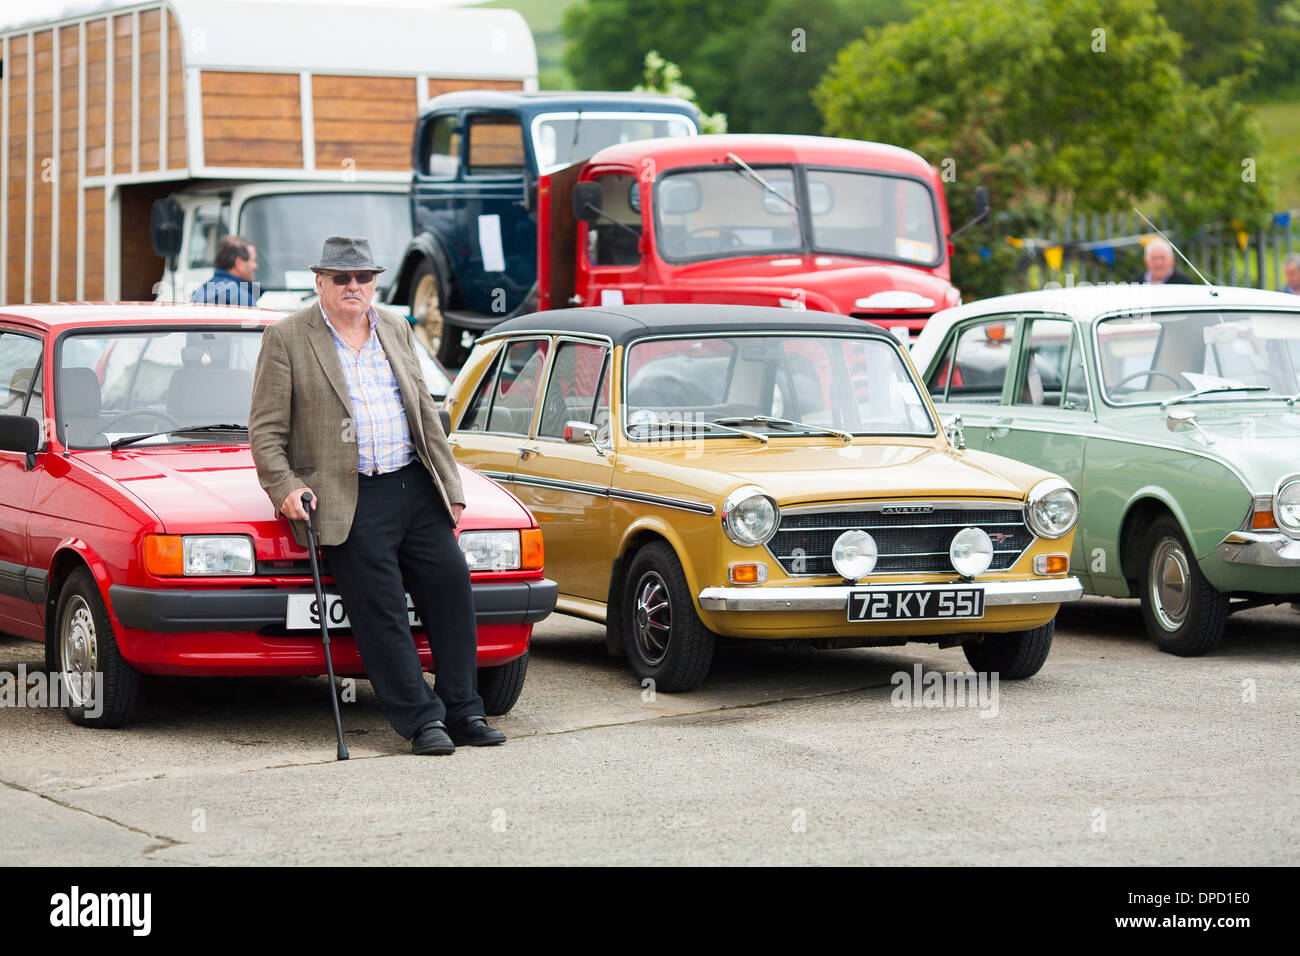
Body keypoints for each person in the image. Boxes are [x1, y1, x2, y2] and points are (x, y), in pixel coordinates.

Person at [249, 236, 503, 756]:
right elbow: (266, 432)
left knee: (452, 588)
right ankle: (422, 722)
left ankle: (464, 709)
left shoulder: (395, 326)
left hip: (414, 485)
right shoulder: (287, 337)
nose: (354, 287)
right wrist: (286, 487)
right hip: (348, 497)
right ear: (319, 282)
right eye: (341, 278)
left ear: (374, 283)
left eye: (363, 278)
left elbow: (424, 413)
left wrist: (450, 489)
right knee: (381, 610)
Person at [191, 235, 260, 305]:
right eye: (253, 260)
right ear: (239, 263)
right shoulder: (243, 299)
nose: (256, 266)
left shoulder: (198, 294)